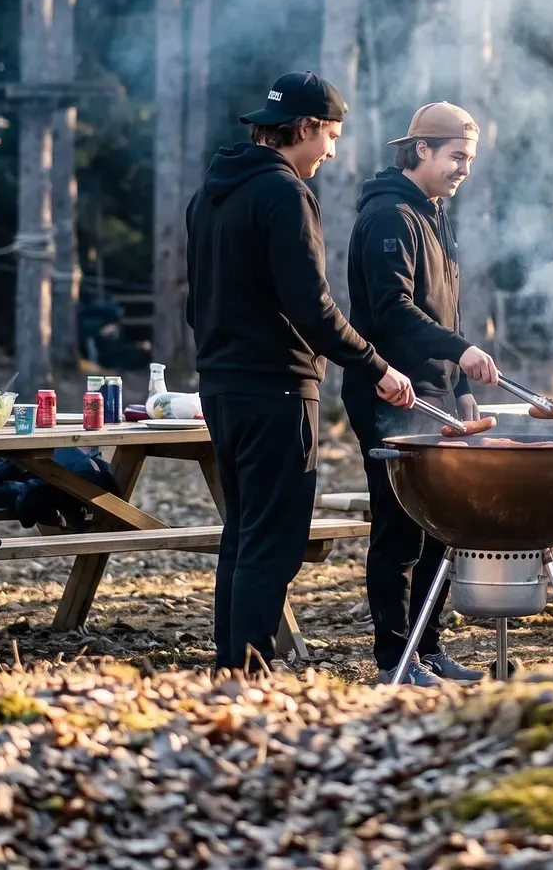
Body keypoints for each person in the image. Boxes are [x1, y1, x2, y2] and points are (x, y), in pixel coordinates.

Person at [186, 71, 414, 672]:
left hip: (220, 385)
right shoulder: (284, 194)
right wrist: (374, 364)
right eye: (331, 136)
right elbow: (309, 303)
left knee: (243, 533)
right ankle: (247, 676)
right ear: (305, 127)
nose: (333, 151)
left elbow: (195, 301)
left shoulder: (210, 192)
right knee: (273, 539)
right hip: (277, 388)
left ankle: (232, 670)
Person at [345, 102, 502, 687]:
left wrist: (461, 386)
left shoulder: (435, 215)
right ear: (421, 151)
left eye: (470, 158)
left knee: (438, 524)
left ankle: (427, 647)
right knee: (398, 529)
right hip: (388, 391)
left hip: (435, 393)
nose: (464, 168)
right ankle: (394, 659)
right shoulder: (388, 217)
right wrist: (462, 351)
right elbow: (392, 311)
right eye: (456, 156)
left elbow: (447, 310)